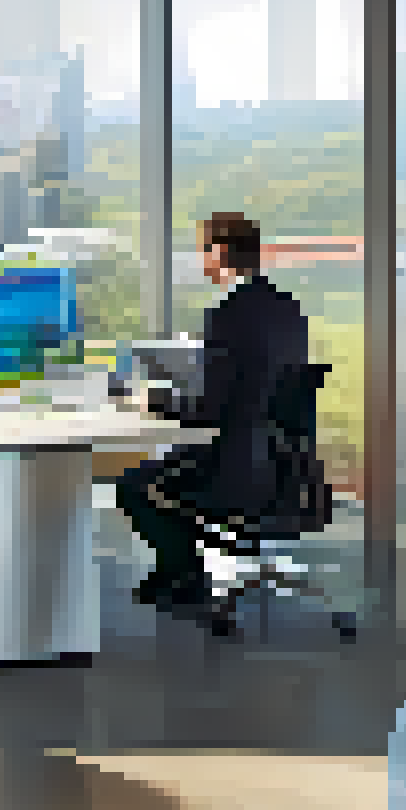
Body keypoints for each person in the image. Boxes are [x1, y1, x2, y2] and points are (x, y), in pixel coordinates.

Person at [116, 212, 309, 618]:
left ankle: (186, 579)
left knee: (135, 484)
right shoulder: (286, 309)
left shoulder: (227, 316)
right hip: (286, 468)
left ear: (220, 252)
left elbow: (207, 412)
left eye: (202, 248)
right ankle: (178, 576)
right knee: (167, 471)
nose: (199, 258)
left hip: (237, 470)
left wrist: (152, 401)